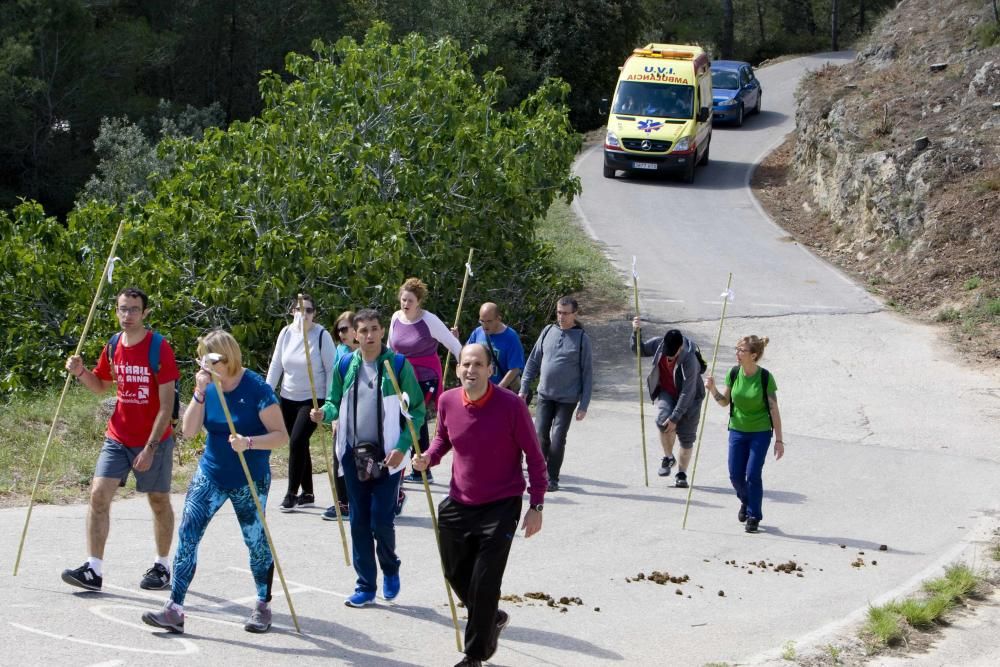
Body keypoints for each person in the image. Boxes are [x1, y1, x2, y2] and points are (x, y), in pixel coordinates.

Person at [141, 330, 288, 634]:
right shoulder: (206, 387)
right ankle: (175, 608)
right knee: (189, 533)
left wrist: (248, 442)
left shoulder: (256, 388)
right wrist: (198, 392)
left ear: (229, 356)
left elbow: (281, 437)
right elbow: (190, 430)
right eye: (203, 359)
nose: (207, 365)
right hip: (211, 473)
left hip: (249, 477)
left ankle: (262, 604)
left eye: (214, 359)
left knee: (255, 540)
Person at [412, 343, 546, 667]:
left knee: (485, 582)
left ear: (490, 370)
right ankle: (492, 617)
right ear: (457, 369)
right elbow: (443, 439)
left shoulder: (511, 406)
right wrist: (428, 457)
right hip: (459, 501)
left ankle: (474, 655)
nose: (470, 370)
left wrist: (536, 506)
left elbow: (536, 458)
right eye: (465, 364)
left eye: (477, 364)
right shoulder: (446, 401)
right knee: (455, 572)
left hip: (501, 506)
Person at [61, 287, 179, 593]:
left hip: (153, 438)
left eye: (133, 310)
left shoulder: (158, 347)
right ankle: (93, 570)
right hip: (118, 435)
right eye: (122, 309)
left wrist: (151, 448)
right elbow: (101, 386)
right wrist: (80, 372)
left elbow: (167, 405)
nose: (127, 315)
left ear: (145, 313)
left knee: (157, 501)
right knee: (98, 495)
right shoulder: (113, 345)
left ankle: (162, 565)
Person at [310, 309, 425, 607]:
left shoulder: (398, 366)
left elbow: (417, 413)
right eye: (363, 331)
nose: (370, 336)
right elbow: (334, 402)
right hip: (353, 455)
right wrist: (324, 413)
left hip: (389, 457)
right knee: (359, 521)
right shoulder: (345, 363)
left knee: (381, 521)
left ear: (383, 331)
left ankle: (390, 567)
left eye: (374, 329)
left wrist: (402, 446)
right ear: (354, 335)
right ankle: (365, 586)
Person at [705, 335, 785, 533]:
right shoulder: (733, 373)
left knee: (753, 474)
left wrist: (779, 440)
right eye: (737, 349)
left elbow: (774, 409)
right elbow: (724, 402)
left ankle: (753, 515)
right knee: (735, 475)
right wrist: (713, 389)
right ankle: (746, 500)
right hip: (737, 430)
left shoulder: (765, 377)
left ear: (754, 355)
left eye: (742, 351)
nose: (737, 354)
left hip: (760, 432)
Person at [388, 277, 462, 486]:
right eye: (403, 300)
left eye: (410, 300)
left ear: (418, 301)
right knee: (406, 419)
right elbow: (389, 347)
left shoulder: (429, 320)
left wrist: (465, 369)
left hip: (425, 376)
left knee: (413, 418)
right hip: (401, 375)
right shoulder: (395, 318)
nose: (406, 304)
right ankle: (418, 467)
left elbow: (453, 345)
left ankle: (420, 467)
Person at [265, 295, 335, 512]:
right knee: (300, 443)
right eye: (299, 309)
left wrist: (329, 403)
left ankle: (291, 493)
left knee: (296, 441)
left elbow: (332, 370)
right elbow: (276, 364)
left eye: (308, 310)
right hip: (288, 397)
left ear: (314, 313)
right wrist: (267, 393)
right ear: (292, 311)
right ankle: (308, 492)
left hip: (313, 399)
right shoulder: (286, 333)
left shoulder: (321, 336)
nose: (303, 314)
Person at [519, 297, 593, 492]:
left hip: (567, 399)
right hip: (544, 394)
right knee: (540, 435)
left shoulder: (582, 339)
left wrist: (584, 405)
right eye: (559, 312)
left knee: (558, 437)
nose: (561, 317)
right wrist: (524, 387)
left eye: (566, 313)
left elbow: (587, 374)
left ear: (575, 314)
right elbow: (533, 361)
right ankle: (541, 473)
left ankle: (553, 477)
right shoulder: (548, 331)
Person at [630, 320, 705, 489]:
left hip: (691, 400)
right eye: (667, 353)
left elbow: (688, 392)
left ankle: (681, 474)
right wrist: (636, 332)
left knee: (686, 439)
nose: (669, 357)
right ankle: (669, 457)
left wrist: (676, 417)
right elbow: (639, 350)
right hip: (667, 392)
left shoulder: (690, 360)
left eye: (672, 354)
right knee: (663, 422)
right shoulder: (659, 345)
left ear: (680, 348)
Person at [322, 310, 358, 521]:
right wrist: (333, 416)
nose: (341, 334)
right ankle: (343, 502)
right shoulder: (341, 351)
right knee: (339, 455)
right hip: (343, 413)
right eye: (338, 330)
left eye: (345, 329)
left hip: (365, 415)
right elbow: (334, 386)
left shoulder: (370, 352)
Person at [465, 302, 525, 390]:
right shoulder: (477, 333)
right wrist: (455, 339)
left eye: (489, 321)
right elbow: (465, 356)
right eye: (482, 321)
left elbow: (515, 369)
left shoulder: (511, 337)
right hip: (478, 390)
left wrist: (498, 389)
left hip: (501, 392)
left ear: (498, 319)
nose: (485, 325)